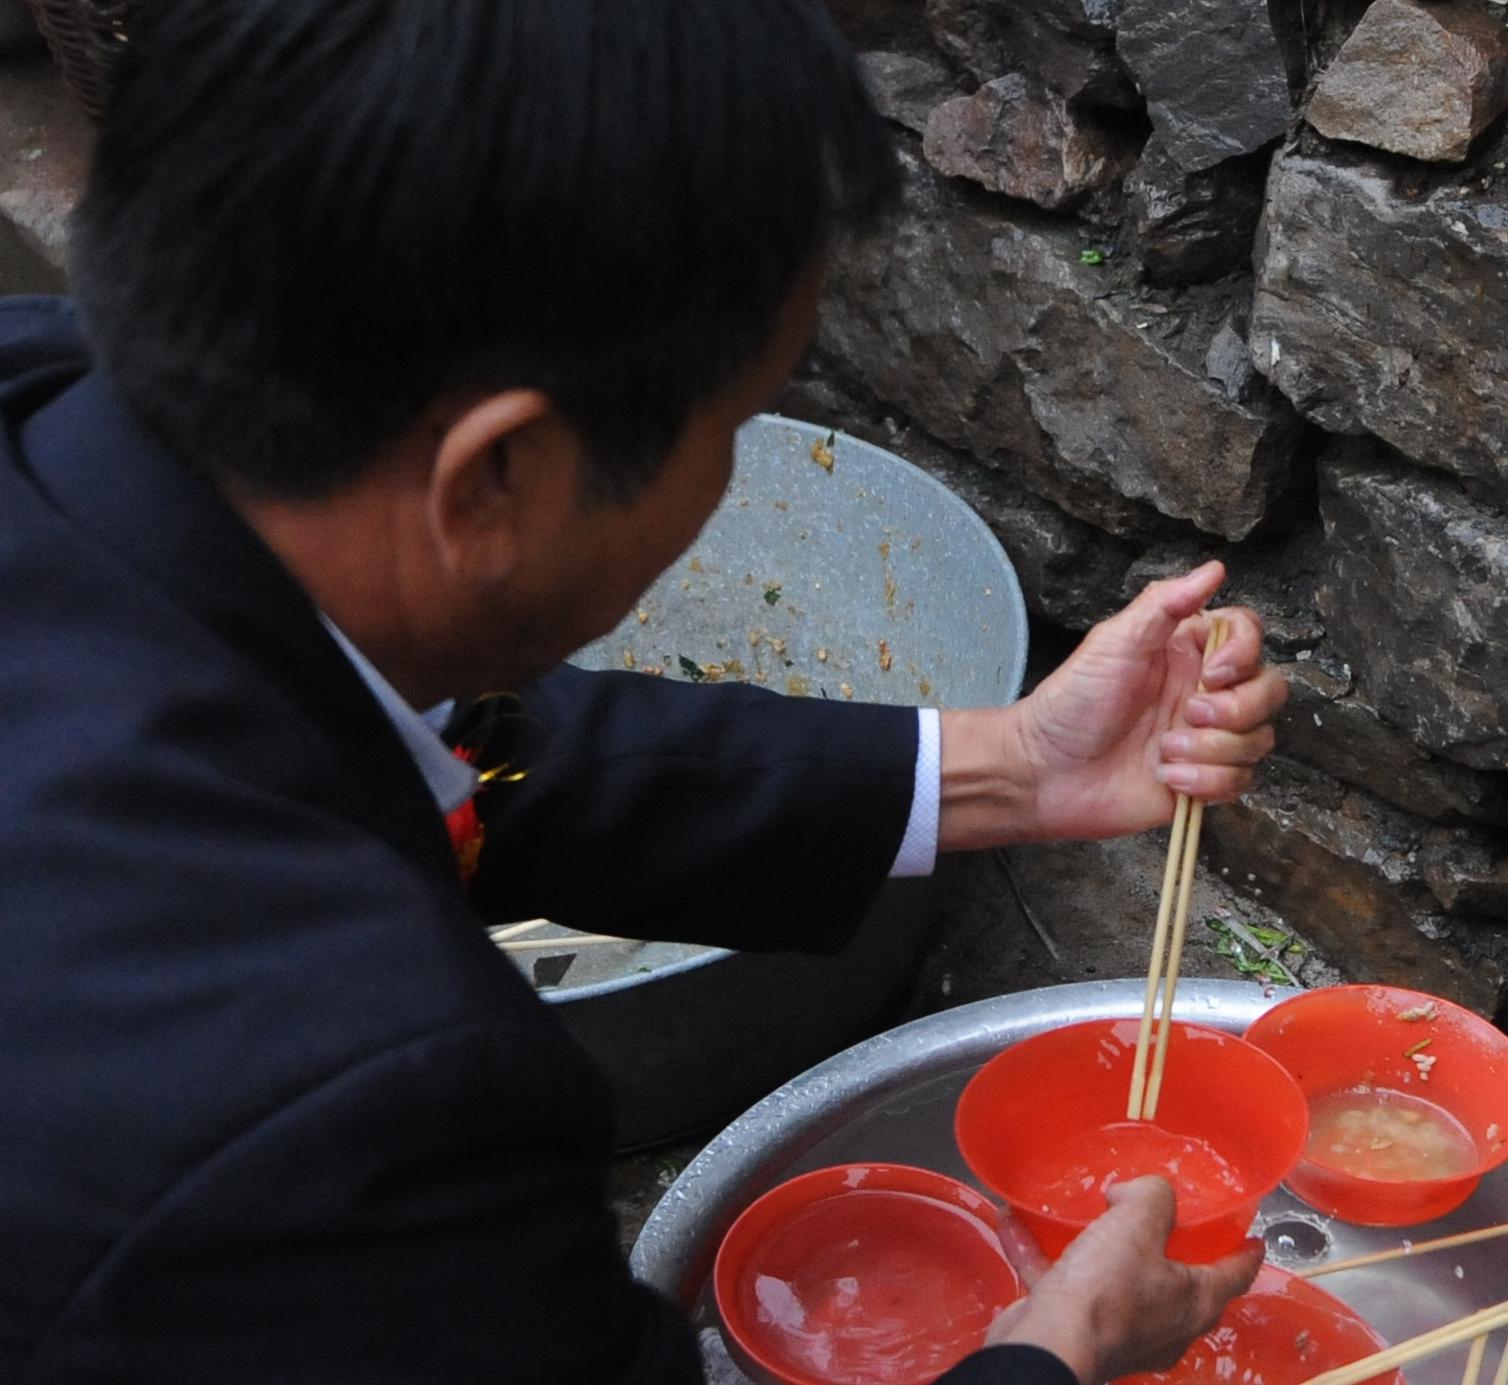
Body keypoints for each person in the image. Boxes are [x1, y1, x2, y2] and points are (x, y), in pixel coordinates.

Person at [0, 2, 1285, 1381]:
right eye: (729, 423)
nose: (731, 466)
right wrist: (1054, 1345)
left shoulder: (59, 417)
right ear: (496, 477)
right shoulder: (343, 1119)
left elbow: (448, 758)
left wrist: (1012, 765)